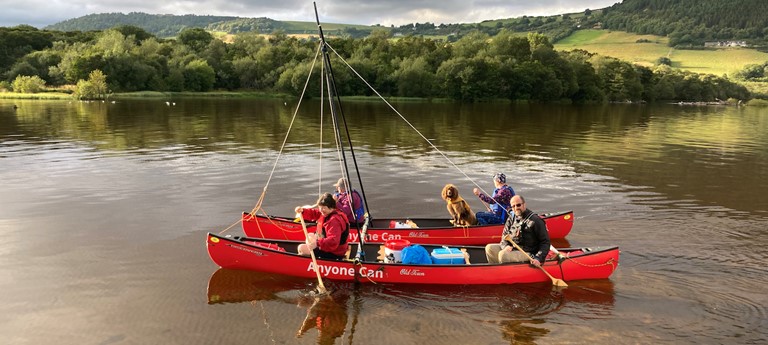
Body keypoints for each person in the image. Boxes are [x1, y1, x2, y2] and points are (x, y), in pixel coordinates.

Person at [485, 195, 550, 266]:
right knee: (489, 248)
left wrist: (538, 258)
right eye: (513, 206)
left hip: (528, 253)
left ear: (524, 204)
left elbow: (545, 242)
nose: (516, 208)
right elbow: (504, 237)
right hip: (513, 249)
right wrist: (506, 246)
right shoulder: (511, 218)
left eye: (518, 205)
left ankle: (507, 273)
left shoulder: (535, 220)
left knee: (503, 255)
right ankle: (496, 270)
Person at [295, 193, 350, 260]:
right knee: (310, 236)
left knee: (301, 248)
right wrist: (303, 211)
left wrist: (317, 244)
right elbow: (314, 213)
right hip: (327, 245)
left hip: (334, 252)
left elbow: (333, 241)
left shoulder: (334, 220)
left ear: (331, 207)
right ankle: (310, 256)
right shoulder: (327, 212)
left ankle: (309, 260)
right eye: (320, 207)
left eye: (323, 208)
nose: (321, 210)